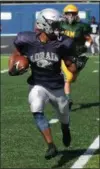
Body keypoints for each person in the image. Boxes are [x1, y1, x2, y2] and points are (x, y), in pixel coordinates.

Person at [8, 8, 82, 160]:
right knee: (36, 108)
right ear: (43, 24)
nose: (58, 28)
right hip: (38, 83)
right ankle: (51, 145)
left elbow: (70, 66)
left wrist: (76, 64)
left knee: (64, 117)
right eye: (55, 24)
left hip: (56, 86)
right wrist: (12, 68)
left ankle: (65, 128)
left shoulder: (63, 43)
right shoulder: (26, 39)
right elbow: (16, 53)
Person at [60, 4, 92, 109]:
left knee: (72, 78)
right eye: (68, 14)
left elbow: (89, 39)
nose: (70, 16)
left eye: (72, 14)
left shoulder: (82, 26)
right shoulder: (60, 25)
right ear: (64, 14)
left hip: (78, 55)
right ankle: (67, 99)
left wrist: (85, 47)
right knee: (67, 78)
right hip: (64, 54)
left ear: (76, 14)